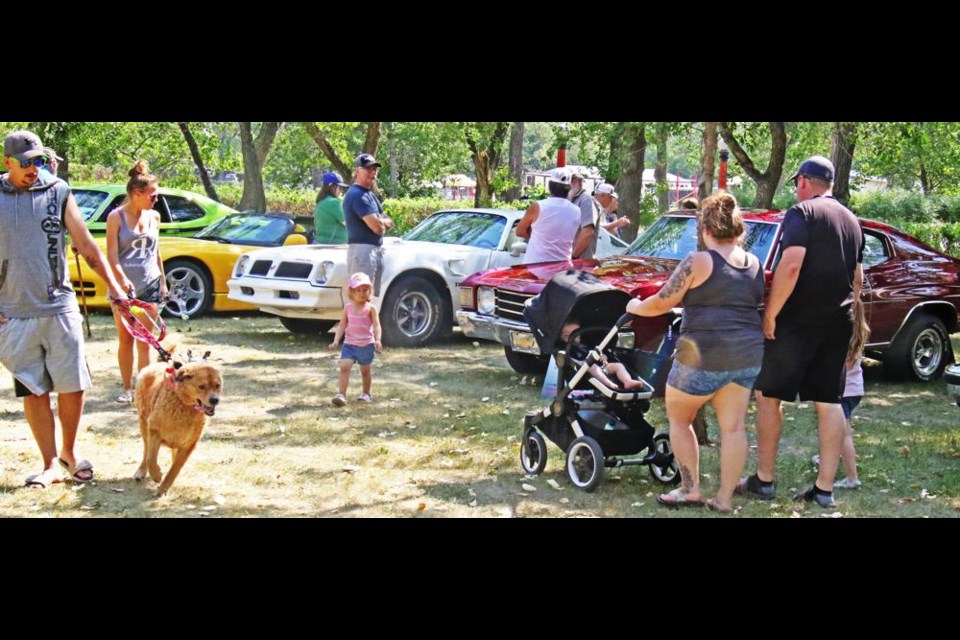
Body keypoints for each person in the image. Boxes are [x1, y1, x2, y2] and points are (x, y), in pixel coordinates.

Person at [0, 130, 126, 488]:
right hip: (14, 311)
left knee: (73, 385)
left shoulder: (58, 191)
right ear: (7, 161)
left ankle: (69, 452)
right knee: (34, 390)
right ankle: (49, 463)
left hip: (59, 305)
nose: (33, 169)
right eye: (26, 163)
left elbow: (86, 245)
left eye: (39, 161)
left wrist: (115, 290)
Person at [625, 191, 765, 512]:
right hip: (745, 355)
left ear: (704, 230)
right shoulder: (755, 264)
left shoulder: (698, 261)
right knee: (733, 428)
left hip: (702, 355)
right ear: (738, 229)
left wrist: (634, 305)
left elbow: (662, 301)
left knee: (679, 419)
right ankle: (725, 499)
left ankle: (690, 489)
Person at [739, 155, 864, 509]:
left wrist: (771, 315)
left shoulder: (802, 214)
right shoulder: (852, 221)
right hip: (839, 321)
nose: (796, 190)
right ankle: (824, 489)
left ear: (804, 182)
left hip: (797, 323)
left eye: (796, 184)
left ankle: (764, 479)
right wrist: (851, 317)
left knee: (768, 395)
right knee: (829, 400)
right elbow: (858, 279)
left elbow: (791, 265)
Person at [105, 160, 167, 403]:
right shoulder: (116, 217)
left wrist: (162, 282)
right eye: (152, 195)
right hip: (122, 289)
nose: (156, 199)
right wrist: (121, 280)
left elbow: (156, 251)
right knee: (126, 339)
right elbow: (111, 255)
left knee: (146, 341)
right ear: (136, 194)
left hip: (149, 284)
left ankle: (144, 391)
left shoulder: (155, 216)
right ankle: (126, 389)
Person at [812, 298, 868, 489]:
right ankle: (827, 456)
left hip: (844, 391)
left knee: (844, 434)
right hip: (854, 390)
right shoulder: (858, 333)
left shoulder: (843, 338)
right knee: (835, 429)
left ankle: (852, 478)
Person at [329, 272, 382, 406]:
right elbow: (342, 325)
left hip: (366, 345)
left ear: (370, 291)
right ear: (352, 292)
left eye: (365, 290)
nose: (362, 293)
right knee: (344, 367)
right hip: (349, 345)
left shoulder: (371, 309)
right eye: (358, 290)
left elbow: (376, 325)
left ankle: (366, 393)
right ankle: (341, 394)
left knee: (365, 370)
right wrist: (336, 340)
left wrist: (378, 339)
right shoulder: (348, 308)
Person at [343, 153, 393, 297]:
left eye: (375, 170)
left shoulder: (370, 195)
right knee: (360, 298)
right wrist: (380, 222)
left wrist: (380, 221)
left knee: (369, 298)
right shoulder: (357, 195)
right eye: (368, 169)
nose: (373, 173)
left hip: (374, 250)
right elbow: (378, 228)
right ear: (357, 171)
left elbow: (388, 221)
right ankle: (354, 321)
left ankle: (368, 321)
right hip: (362, 252)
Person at [559, 319, 646, 390]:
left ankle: (627, 381)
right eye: (566, 336)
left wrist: (603, 356)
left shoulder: (587, 342)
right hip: (584, 371)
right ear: (561, 336)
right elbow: (568, 359)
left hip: (603, 367)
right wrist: (582, 362)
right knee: (591, 366)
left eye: (575, 334)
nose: (572, 338)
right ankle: (609, 385)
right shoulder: (565, 348)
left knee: (618, 365)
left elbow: (600, 351)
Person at [517, 167, 580, 264]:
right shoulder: (576, 211)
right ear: (569, 188)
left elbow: (520, 232)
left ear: (549, 186)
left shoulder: (537, 207)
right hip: (562, 270)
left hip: (536, 267)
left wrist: (539, 236)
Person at [570, 172, 601, 259]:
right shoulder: (571, 200)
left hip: (580, 262)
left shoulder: (586, 200)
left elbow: (587, 233)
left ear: (575, 182)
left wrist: (573, 256)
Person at [314, 171, 350, 244]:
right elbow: (349, 222)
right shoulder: (333, 202)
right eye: (340, 188)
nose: (341, 191)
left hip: (320, 243)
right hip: (332, 247)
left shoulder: (320, 201)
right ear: (332, 187)